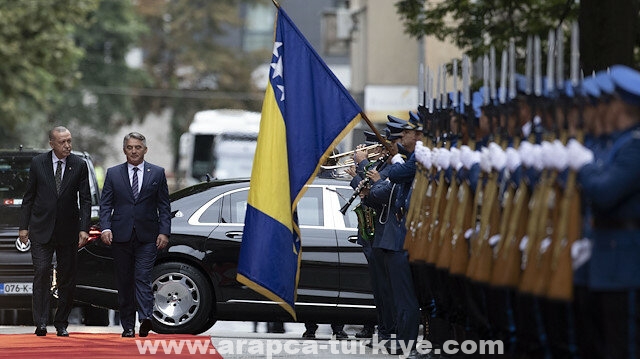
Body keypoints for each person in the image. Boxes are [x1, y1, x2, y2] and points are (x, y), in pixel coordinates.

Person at [19, 126, 92, 337]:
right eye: (63, 142)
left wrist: (83, 229)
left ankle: (61, 323)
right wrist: (24, 227)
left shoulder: (79, 165)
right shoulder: (38, 163)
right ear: (52, 143)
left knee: (66, 278)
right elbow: (29, 197)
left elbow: (85, 200)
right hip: (41, 229)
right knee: (41, 272)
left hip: (68, 231)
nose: (68, 145)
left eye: (70, 141)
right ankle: (41, 322)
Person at [99, 132, 171, 338]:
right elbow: (106, 205)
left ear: (145, 150)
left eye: (137, 147)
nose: (133, 151)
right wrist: (105, 228)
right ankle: (128, 326)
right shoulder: (113, 173)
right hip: (120, 236)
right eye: (130, 147)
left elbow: (163, 206)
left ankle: (146, 316)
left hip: (147, 237)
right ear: (124, 150)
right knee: (124, 281)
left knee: (142, 277)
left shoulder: (157, 173)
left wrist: (164, 232)